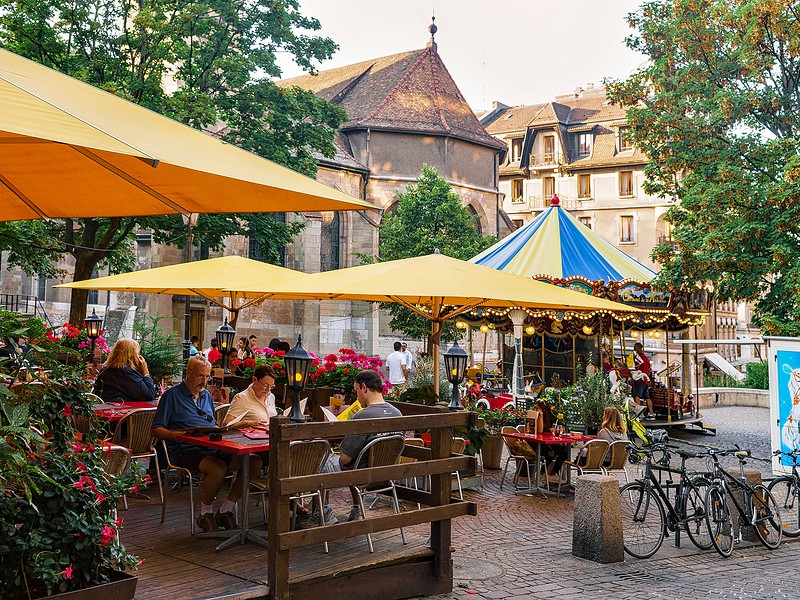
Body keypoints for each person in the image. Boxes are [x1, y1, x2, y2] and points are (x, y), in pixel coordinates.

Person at [151, 355, 262, 532]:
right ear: (188, 373)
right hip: (183, 449)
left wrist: (224, 429)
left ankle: (225, 509)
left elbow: (212, 425)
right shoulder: (171, 396)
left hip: (211, 445)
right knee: (217, 468)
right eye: (200, 376)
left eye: (207, 376)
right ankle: (205, 513)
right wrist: (178, 435)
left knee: (253, 461)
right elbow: (156, 429)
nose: (204, 381)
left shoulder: (206, 396)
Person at [316, 369, 403, 523]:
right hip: (386, 474)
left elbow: (345, 459)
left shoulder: (363, 415)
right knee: (355, 459)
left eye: (356, 390)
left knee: (316, 463)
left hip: (361, 473)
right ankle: (357, 509)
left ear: (364, 388)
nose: (356, 395)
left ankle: (323, 513)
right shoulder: (397, 413)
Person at [92, 338, 157, 403]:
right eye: (137, 353)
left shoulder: (106, 369)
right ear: (132, 355)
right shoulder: (123, 372)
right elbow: (149, 395)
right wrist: (146, 373)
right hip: (118, 410)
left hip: (104, 408)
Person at [535, 399, 569, 483]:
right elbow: (540, 430)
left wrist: (558, 428)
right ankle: (542, 473)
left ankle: (553, 473)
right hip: (536, 443)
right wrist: (540, 415)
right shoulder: (535, 417)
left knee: (564, 451)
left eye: (537, 408)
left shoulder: (551, 418)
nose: (535, 410)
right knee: (550, 452)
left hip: (548, 442)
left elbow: (562, 428)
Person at [627, 342, 655, 420]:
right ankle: (651, 413)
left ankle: (637, 414)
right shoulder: (646, 358)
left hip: (639, 379)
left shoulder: (637, 358)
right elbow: (649, 370)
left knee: (637, 396)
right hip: (645, 380)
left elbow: (634, 367)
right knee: (647, 397)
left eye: (635, 348)